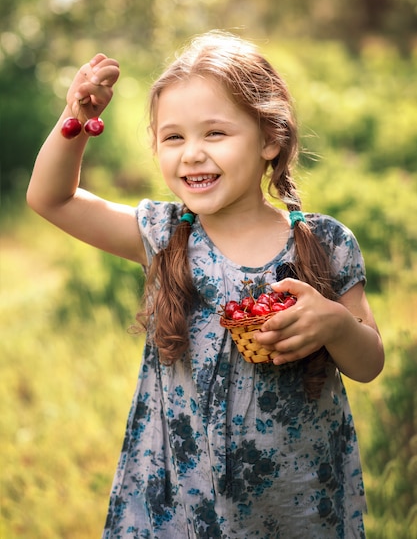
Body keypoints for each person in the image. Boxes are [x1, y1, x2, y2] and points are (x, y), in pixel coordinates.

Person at [27, 31, 384, 539]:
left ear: (270, 139)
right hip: (175, 503)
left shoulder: (324, 242)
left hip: (294, 501)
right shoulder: (163, 236)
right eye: (173, 137)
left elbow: (369, 362)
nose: (192, 154)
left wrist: (334, 324)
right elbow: (52, 199)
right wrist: (76, 122)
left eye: (215, 134)